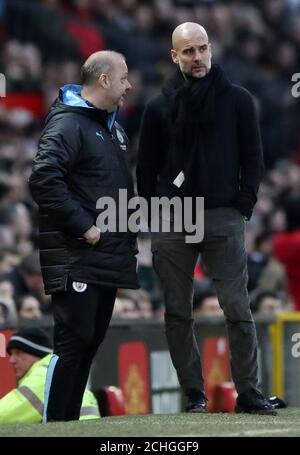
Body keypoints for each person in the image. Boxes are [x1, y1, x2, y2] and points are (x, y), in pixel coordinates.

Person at [137, 23, 276, 415]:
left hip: (223, 216)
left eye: (202, 49)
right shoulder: (158, 107)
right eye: (188, 52)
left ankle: (249, 392)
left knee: (237, 307)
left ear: (211, 49)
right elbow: (146, 170)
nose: (197, 57)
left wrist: (241, 206)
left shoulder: (237, 100)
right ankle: (194, 395)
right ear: (174, 57)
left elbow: (253, 158)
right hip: (172, 220)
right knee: (178, 310)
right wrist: (155, 215)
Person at [29, 50, 138, 422]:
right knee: (72, 345)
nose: (129, 86)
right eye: (124, 78)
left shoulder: (112, 128)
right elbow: (44, 179)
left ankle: (68, 426)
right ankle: (54, 426)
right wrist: (83, 226)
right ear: (104, 79)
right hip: (77, 255)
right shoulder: (68, 124)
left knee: (88, 343)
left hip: (105, 258)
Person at [0, 328, 100, 424]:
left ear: (37, 353)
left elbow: (4, 413)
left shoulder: (43, 377)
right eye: (11, 354)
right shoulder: (57, 371)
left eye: (18, 353)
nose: (12, 360)